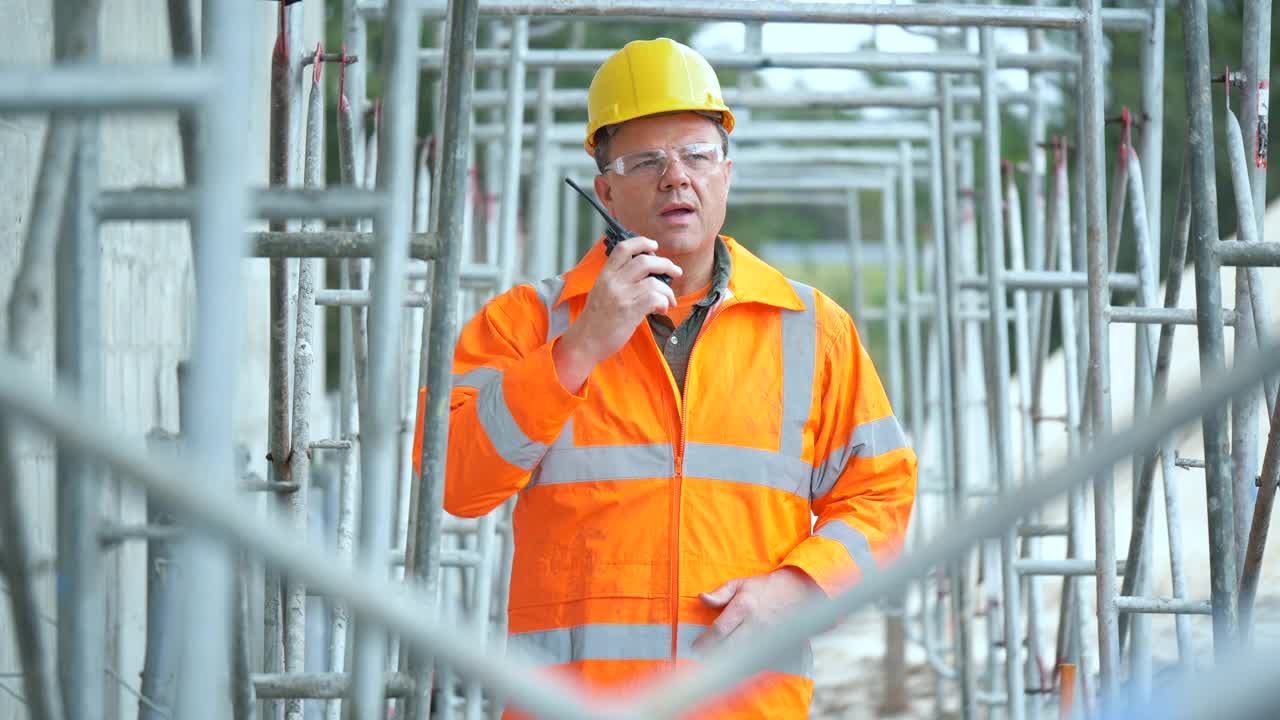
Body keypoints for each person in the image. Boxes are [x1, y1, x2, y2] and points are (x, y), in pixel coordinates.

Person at [416, 37, 917, 719]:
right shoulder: (527, 324)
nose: (675, 177)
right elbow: (450, 482)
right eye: (645, 160)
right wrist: (578, 348)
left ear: (727, 174)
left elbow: (881, 490)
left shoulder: (811, 327)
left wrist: (801, 587)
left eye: (696, 155)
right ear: (604, 189)